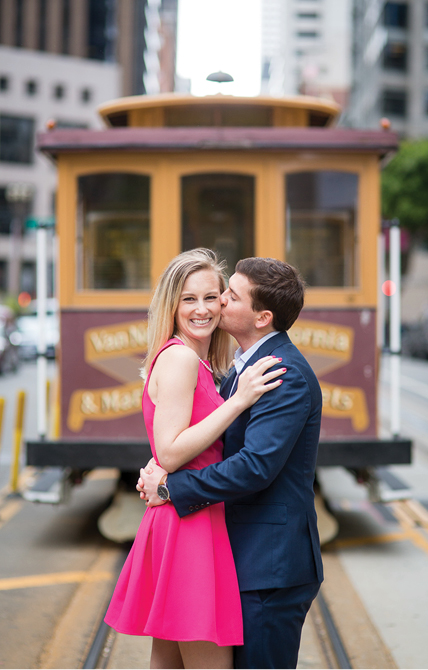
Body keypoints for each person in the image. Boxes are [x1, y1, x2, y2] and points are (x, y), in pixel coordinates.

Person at [138, 256, 324, 669]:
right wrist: (161, 463)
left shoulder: (281, 373)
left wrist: (170, 486)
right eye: (193, 298)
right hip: (231, 547)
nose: (219, 302)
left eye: (228, 295)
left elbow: (255, 466)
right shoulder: (234, 368)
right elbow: (192, 439)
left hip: (268, 563)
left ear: (262, 317)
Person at [104, 248, 286, 669]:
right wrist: (238, 401)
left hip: (187, 516)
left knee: (168, 661)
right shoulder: (182, 358)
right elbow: (169, 451)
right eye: (189, 299)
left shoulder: (196, 360)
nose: (202, 309)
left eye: (211, 297)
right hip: (189, 525)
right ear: (172, 304)